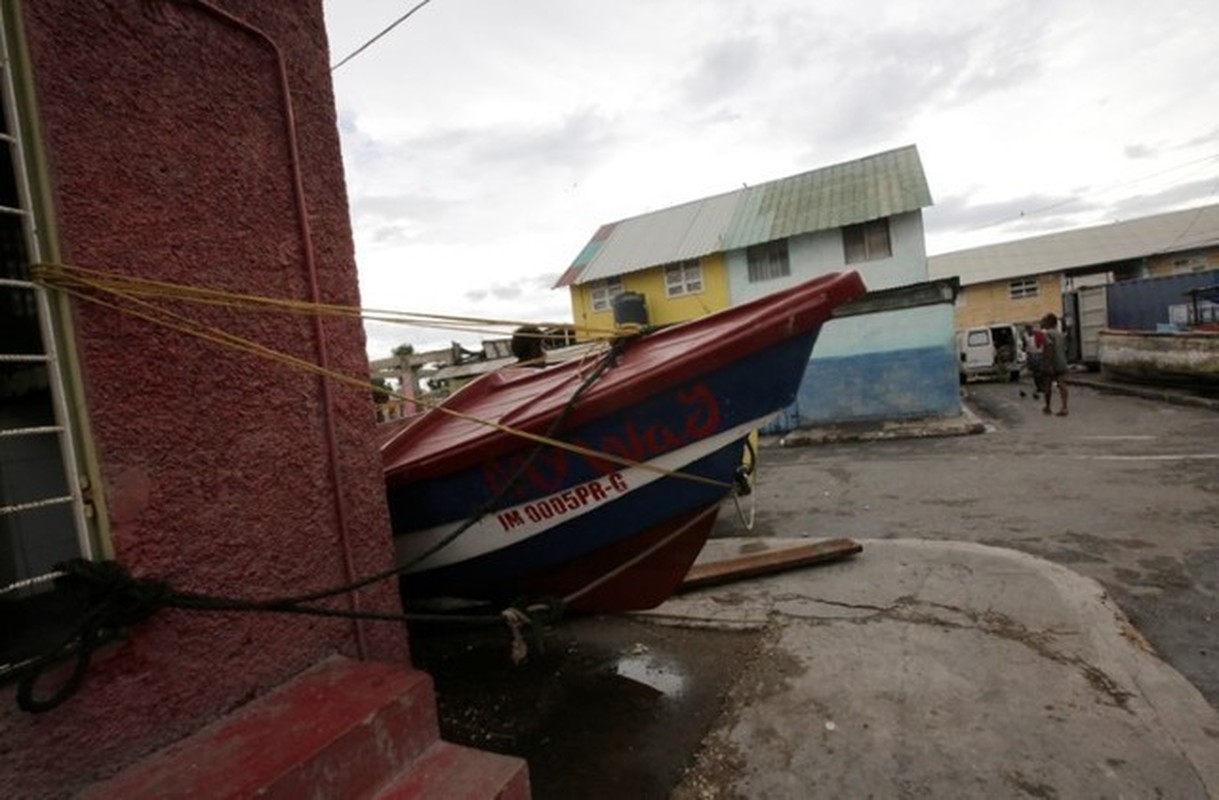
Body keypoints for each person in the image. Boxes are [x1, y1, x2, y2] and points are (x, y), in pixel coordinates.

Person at [1039, 313, 1068, 416]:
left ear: (1048, 322)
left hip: (1052, 363)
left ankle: (1047, 407)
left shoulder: (1047, 334)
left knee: (1047, 386)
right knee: (1062, 385)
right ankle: (1064, 407)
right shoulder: (1060, 334)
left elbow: (1048, 348)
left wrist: (1047, 364)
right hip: (1062, 362)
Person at [1022, 323, 1045, 398]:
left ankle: (1041, 386)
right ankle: (1039, 386)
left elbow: (1042, 343)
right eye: (1028, 329)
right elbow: (1025, 346)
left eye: (1030, 329)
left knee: (1040, 371)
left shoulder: (1038, 334)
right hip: (1031, 355)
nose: (1029, 331)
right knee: (1035, 372)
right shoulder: (1025, 336)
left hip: (1039, 354)